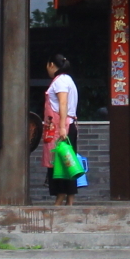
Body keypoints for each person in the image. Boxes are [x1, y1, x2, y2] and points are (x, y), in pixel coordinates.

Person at [43, 54, 79, 205]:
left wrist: (62, 127)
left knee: (61, 163)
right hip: (68, 124)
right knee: (68, 161)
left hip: (62, 127)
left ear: (51, 65)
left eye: (47, 65)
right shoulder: (67, 80)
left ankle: (61, 196)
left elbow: (63, 103)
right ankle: (69, 199)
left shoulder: (60, 81)